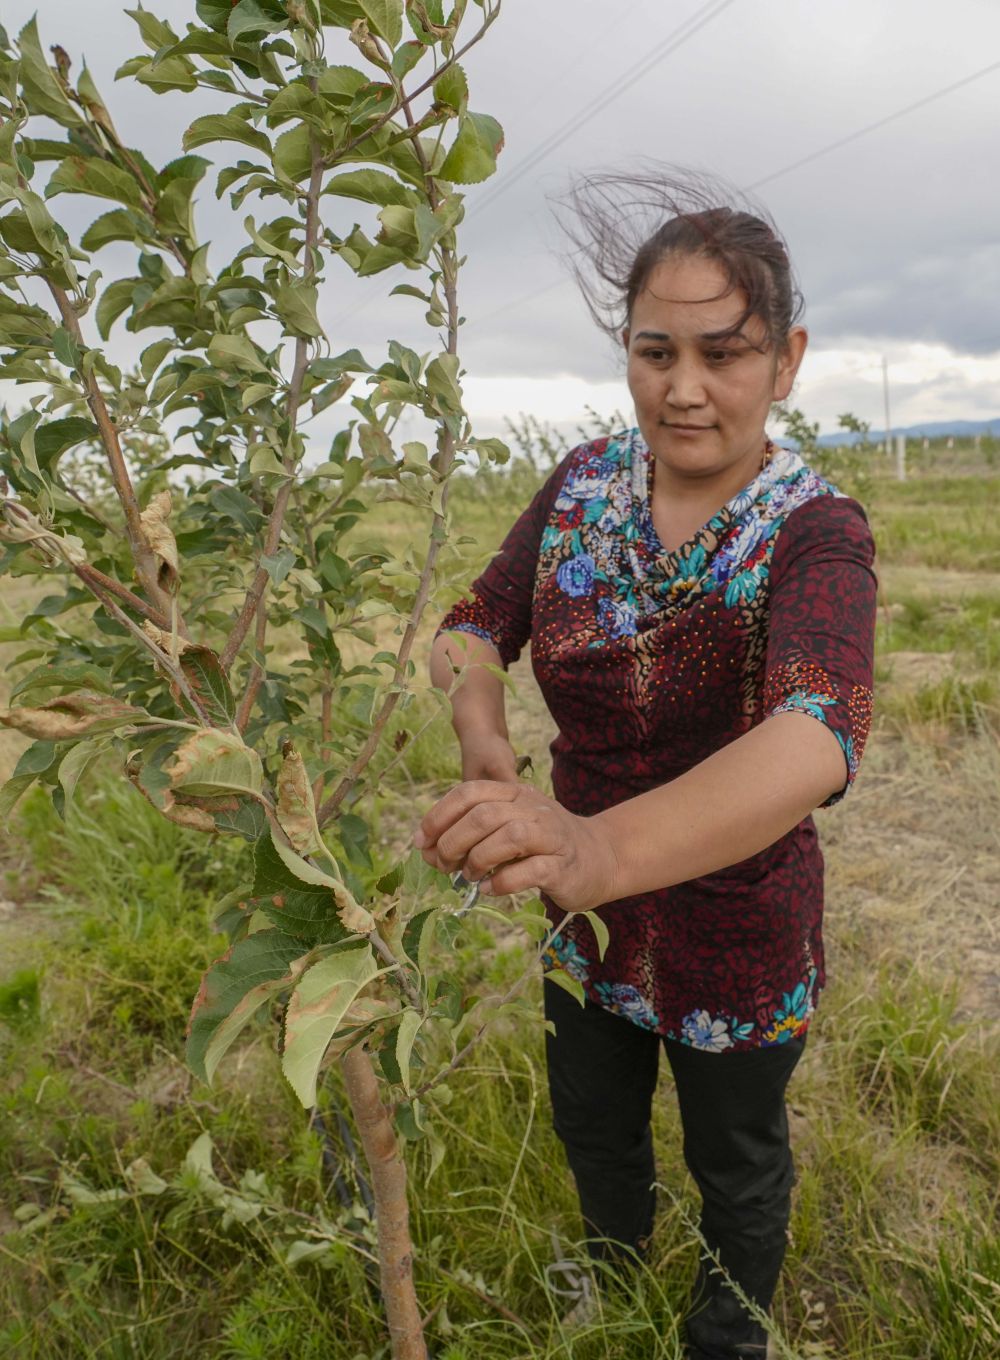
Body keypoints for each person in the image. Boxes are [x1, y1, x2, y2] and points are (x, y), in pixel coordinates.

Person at [413, 171, 877, 1360]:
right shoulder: (577, 491)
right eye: (653, 351)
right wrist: (485, 743)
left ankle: (728, 1331)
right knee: (593, 1124)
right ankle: (609, 1274)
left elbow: (817, 728)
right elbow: (472, 623)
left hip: (736, 929)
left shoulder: (812, 530)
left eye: (724, 353)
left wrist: (600, 845)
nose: (683, 389)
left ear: (786, 360)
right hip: (585, 929)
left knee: (736, 1156)